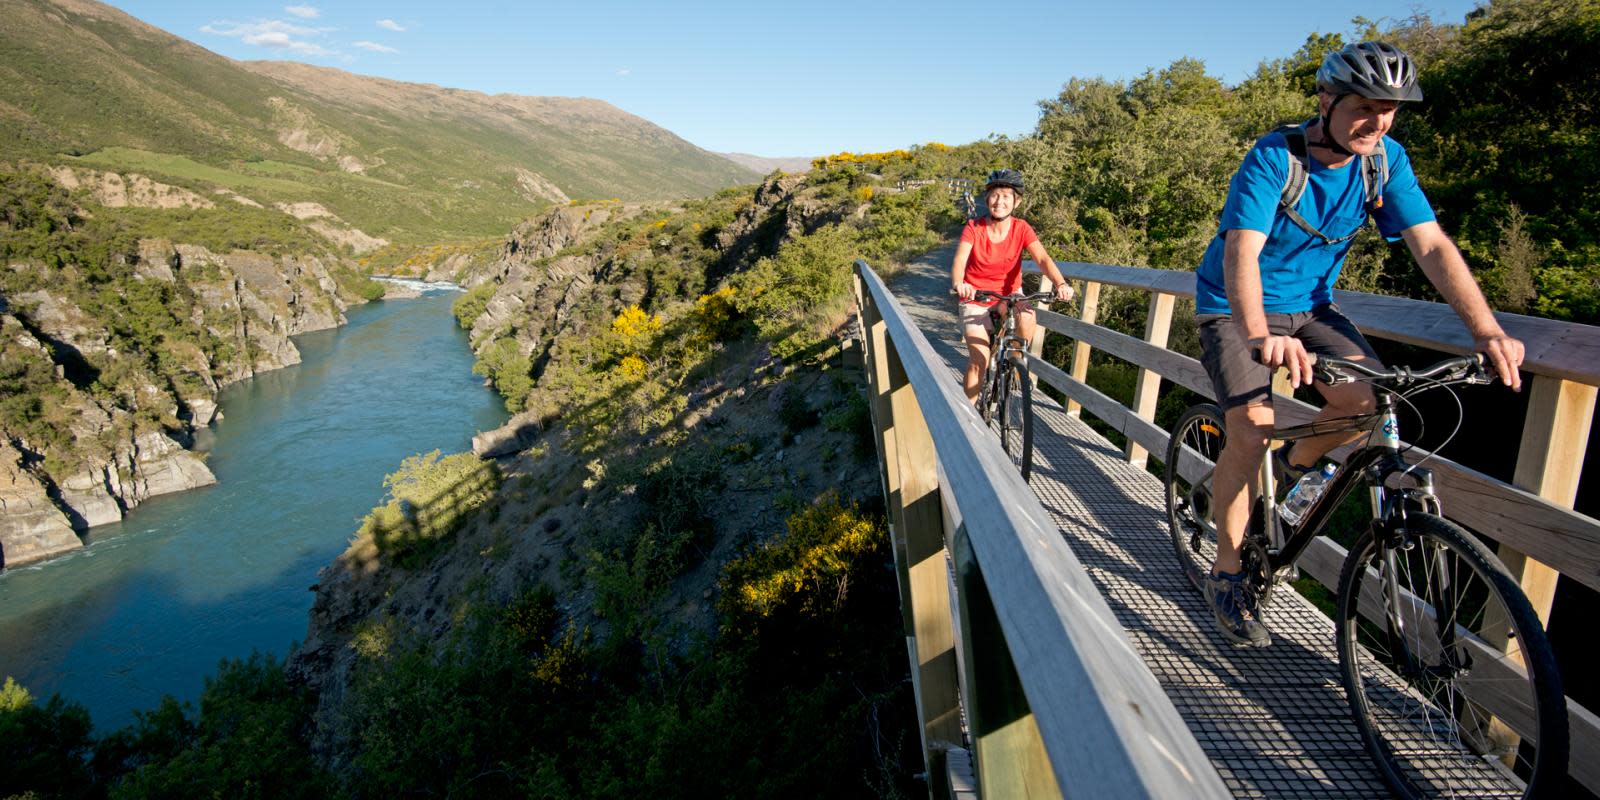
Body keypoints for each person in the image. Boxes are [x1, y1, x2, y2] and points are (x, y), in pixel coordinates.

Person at [1193, 42, 1525, 646]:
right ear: (1327, 100)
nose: (1378, 122)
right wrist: (1260, 335)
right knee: (1252, 424)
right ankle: (1228, 569)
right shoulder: (1274, 157)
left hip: (1312, 309)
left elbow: (1430, 245)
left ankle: (1286, 474)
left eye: (1390, 110)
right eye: (1366, 107)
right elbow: (1242, 251)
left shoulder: (1385, 162)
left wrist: (1488, 330)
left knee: (1366, 404)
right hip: (1233, 309)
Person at [951, 169, 1074, 404]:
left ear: (1016, 201)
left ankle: (1015, 362)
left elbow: (1043, 259)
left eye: (1007, 196)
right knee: (980, 358)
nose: (1000, 202)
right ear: (987, 199)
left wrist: (1060, 283)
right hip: (976, 296)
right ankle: (967, 418)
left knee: (1027, 317)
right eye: (995, 195)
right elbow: (959, 261)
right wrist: (960, 283)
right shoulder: (974, 227)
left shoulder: (1021, 228)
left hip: (1009, 295)